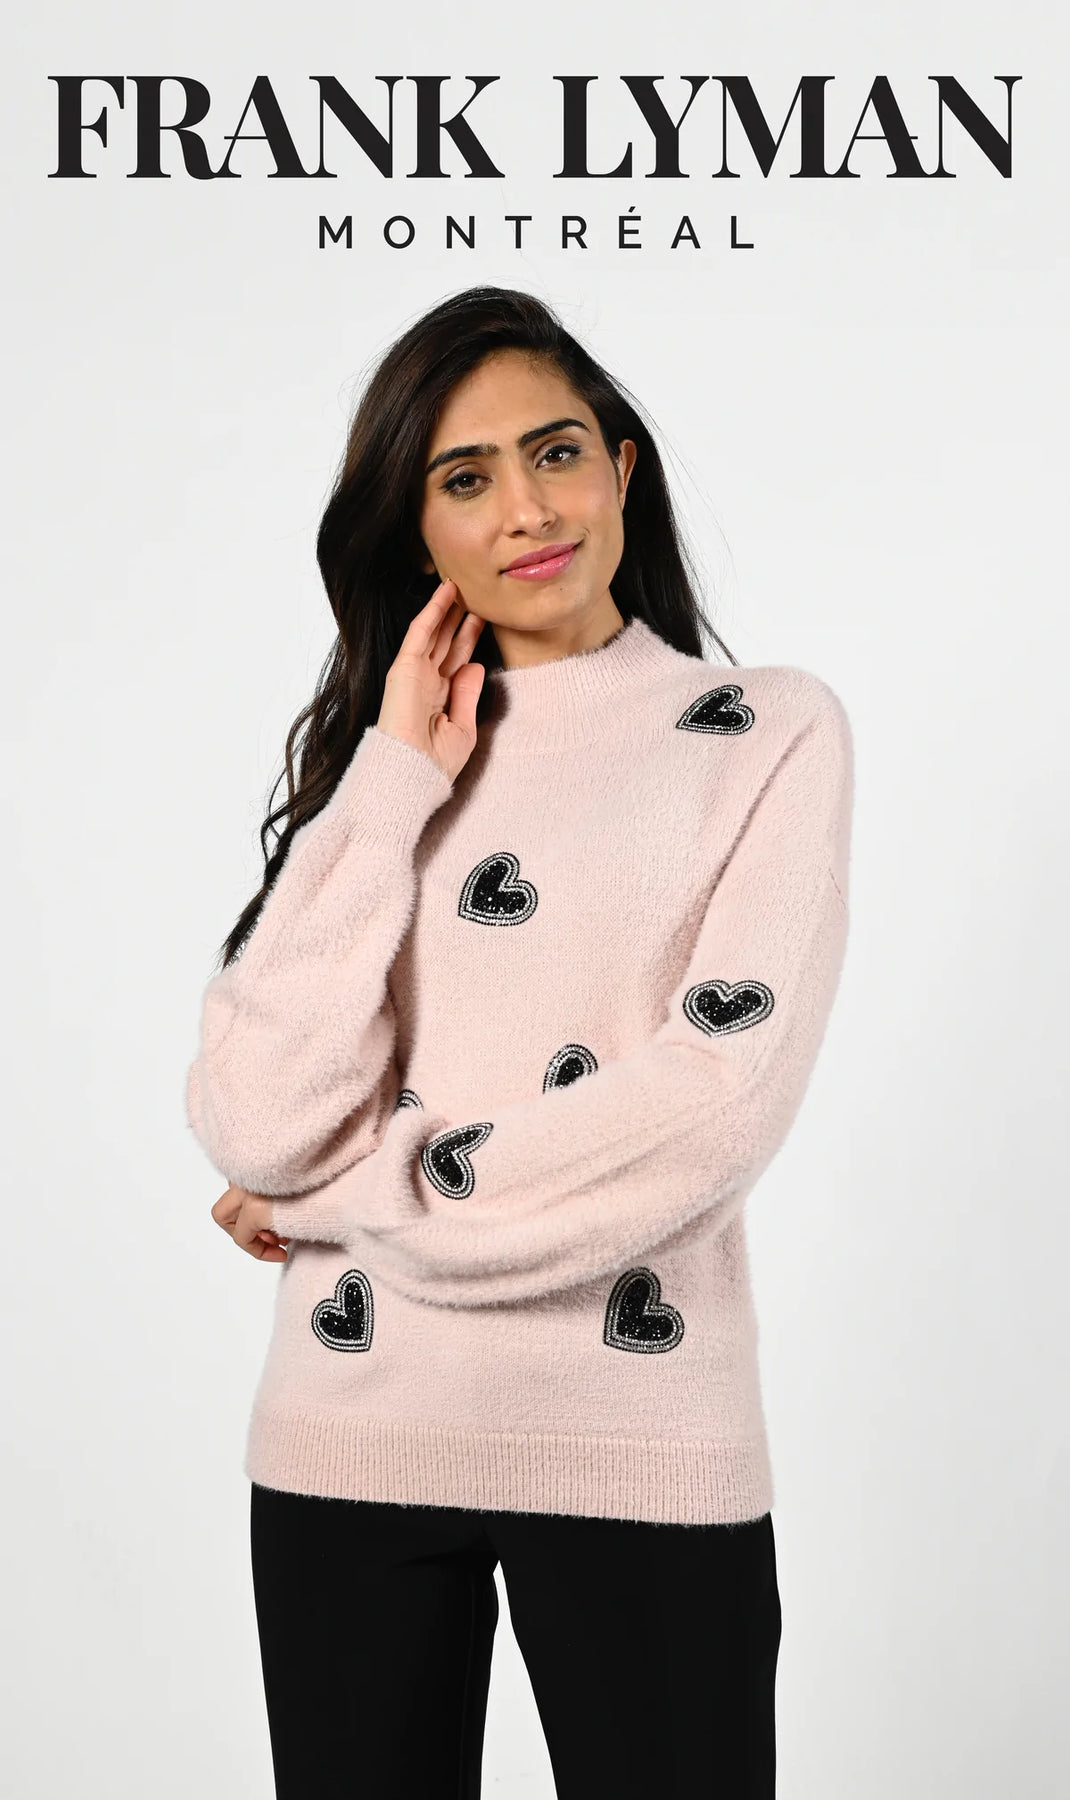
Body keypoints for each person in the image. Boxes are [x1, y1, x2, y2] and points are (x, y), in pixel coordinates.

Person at [185, 286, 854, 1798]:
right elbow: (257, 1112)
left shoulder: (766, 732)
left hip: (639, 1442)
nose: (526, 509)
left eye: (555, 453)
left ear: (621, 467)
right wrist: (391, 780)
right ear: (415, 529)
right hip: (351, 1436)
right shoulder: (382, 773)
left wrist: (330, 1200)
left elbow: (709, 1106)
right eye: (465, 477)